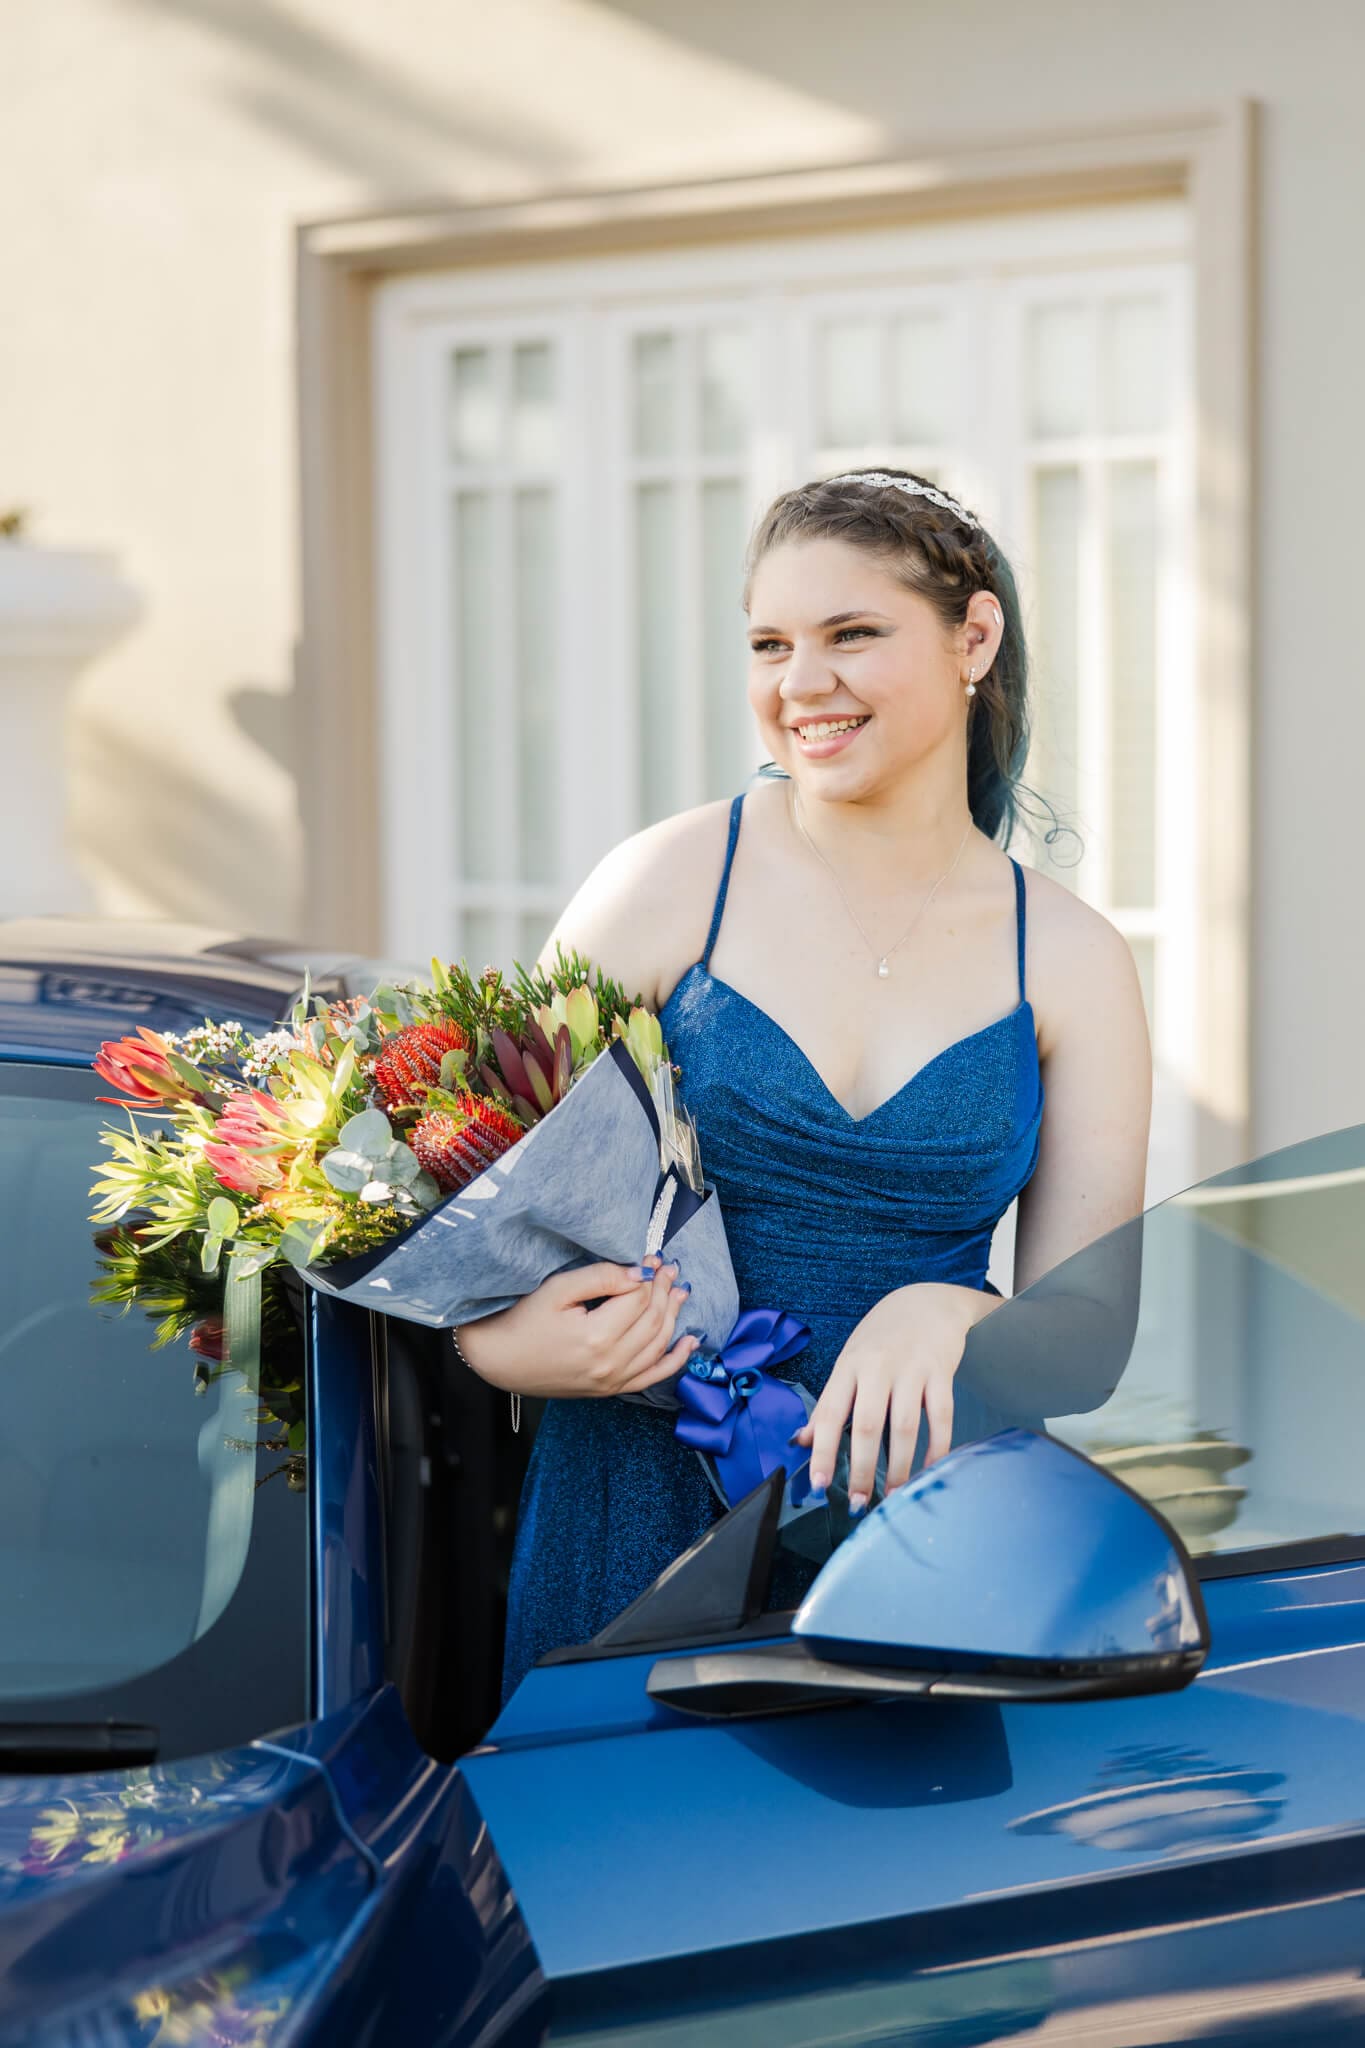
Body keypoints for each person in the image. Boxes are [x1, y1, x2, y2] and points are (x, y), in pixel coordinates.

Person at [457, 467, 1153, 1700]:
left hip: (924, 1543)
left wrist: (955, 1314)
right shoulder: (667, 881)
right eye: (771, 644)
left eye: (853, 635)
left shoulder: (1076, 959)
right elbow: (474, 1195)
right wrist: (503, 1343)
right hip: (634, 1506)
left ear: (973, 638)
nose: (801, 685)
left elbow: (1085, 1340)